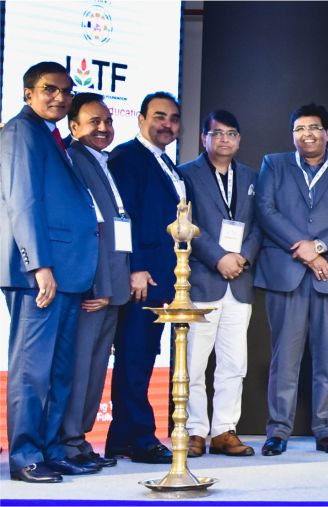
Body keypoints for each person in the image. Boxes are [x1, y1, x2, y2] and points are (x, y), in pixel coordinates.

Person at [2, 62, 100, 483]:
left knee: (59, 371)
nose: (60, 97)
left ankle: (50, 449)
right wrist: (39, 265)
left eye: (66, 90)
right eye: (50, 89)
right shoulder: (20, 131)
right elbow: (22, 201)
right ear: (28, 93)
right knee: (32, 370)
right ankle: (25, 456)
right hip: (39, 275)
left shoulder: (51, 135)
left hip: (68, 274)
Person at [255, 103, 328, 456]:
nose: (308, 134)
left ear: (327, 133)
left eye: (314, 127)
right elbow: (266, 210)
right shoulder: (274, 164)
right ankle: (278, 431)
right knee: (284, 360)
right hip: (286, 275)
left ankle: (325, 429)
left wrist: (319, 247)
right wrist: (305, 251)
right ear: (293, 134)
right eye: (300, 128)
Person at [105, 91, 186, 465]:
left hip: (164, 278)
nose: (166, 124)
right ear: (140, 119)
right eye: (159, 116)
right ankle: (139, 438)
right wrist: (135, 267)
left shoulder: (166, 162)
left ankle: (121, 438)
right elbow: (123, 216)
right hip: (142, 278)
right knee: (134, 358)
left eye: (173, 118)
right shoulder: (127, 157)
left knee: (139, 359)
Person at [178, 109, 259, 458]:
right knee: (194, 362)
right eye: (217, 133)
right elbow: (184, 224)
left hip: (239, 281)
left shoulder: (252, 176)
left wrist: (242, 257)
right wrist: (218, 258)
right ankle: (195, 431)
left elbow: (259, 225)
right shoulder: (185, 175)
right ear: (204, 138)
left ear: (239, 139)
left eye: (231, 134)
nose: (224, 139)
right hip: (203, 279)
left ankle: (225, 429)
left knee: (234, 363)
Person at [59, 92, 127, 472]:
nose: (103, 128)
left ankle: (80, 439)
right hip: (94, 288)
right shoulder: (74, 160)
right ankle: (68, 442)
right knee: (79, 369)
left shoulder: (103, 161)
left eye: (108, 121)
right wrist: (98, 285)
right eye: (94, 122)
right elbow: (88, 229)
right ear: (73, 127)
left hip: (111, 287)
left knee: (97, 368)